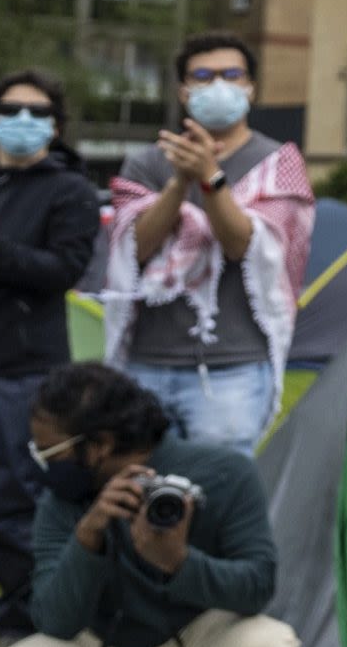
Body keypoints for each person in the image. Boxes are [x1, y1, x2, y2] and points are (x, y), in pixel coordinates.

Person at [0, 361, 299, 647]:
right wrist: (88, 536)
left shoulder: (225, 473)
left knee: (272, 646)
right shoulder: (61, 503)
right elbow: (53, 620)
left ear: (100, 445)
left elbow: (256, 587)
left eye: (49, 450)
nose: (41, 460)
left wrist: (178, 563)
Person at [0, 71, 100, 647]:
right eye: (11, 109)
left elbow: (62, 272)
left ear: (55, 127)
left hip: (25, 372)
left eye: (38, 112)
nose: (23, 121)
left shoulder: (71, 192)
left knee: (14, 504)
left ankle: (21, 618)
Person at [105, 33, 316, 455]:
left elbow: (244, 245)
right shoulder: (147, 162)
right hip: (146, 362)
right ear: (183, 91)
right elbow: (135, 247)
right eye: (203, 76)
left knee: (217, 500)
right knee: (141, 496)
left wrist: (210, 178)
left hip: (231, 368)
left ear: (251, 87)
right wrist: (179, 181)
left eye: (231, 74)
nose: (218, 84)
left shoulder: (278, 163)